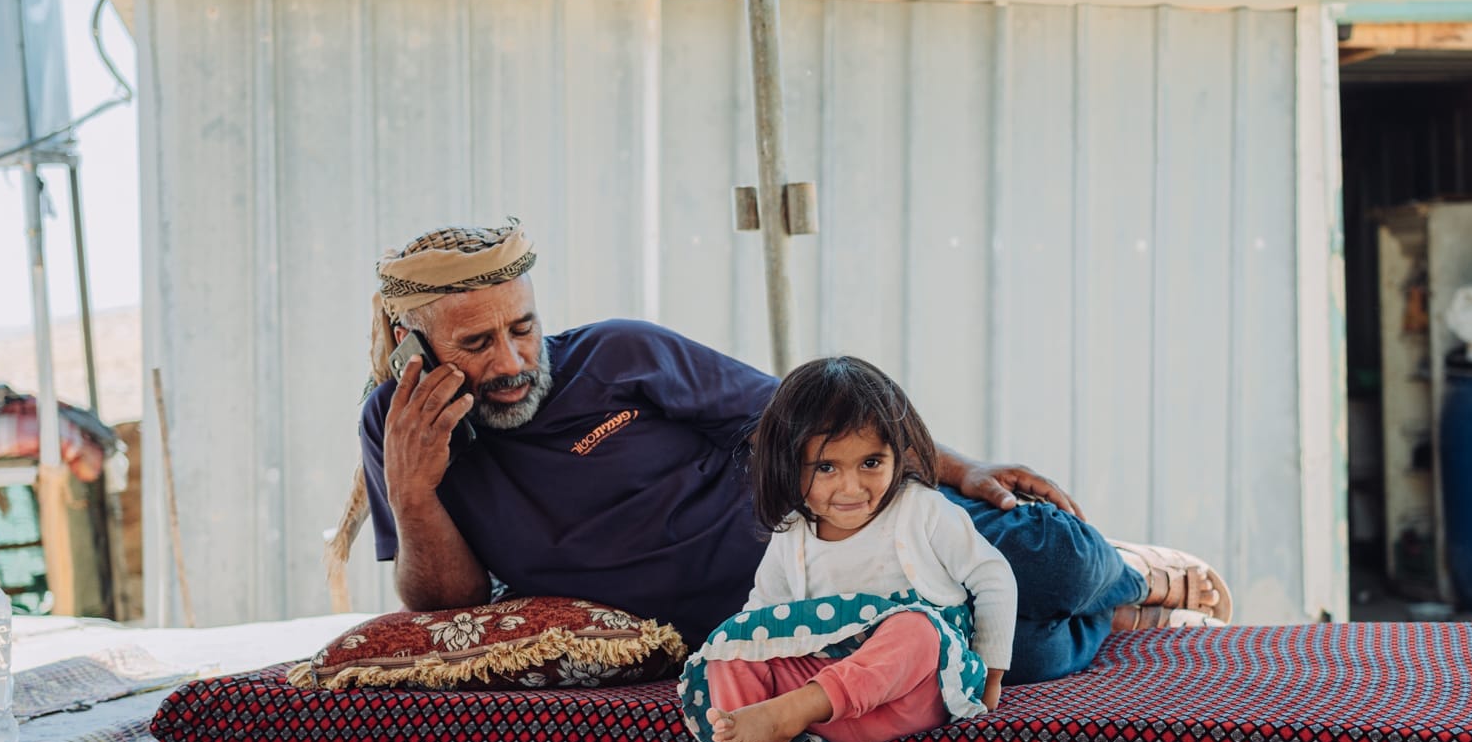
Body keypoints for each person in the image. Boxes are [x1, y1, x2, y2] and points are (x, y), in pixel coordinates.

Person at [339, 219, 1229, 688]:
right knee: (1016, 657)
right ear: (413, 345)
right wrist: (415, 494)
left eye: (523, 329)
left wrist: (961, 469)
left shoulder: (618, 354)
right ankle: (1116, 623)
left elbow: (813, 417)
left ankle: (1129, 576)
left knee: (1049, 562)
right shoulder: (399, 430)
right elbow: (447, 605)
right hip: (772, 619)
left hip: (850, 528)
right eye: (476, 344)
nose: (510, 362)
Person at [680, 357, 1017, 742]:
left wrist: (992, 674)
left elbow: (993, 576)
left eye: (871, 463)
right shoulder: (792, 534)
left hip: (912, 695)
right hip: (831, 716)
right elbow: (761, 620)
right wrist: (740, 650)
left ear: (900, 454)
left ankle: (790, 712)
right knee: (732, 646)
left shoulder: (922, 510)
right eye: (826, 468)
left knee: (916, 629)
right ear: (789, 465)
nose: (852, 487)